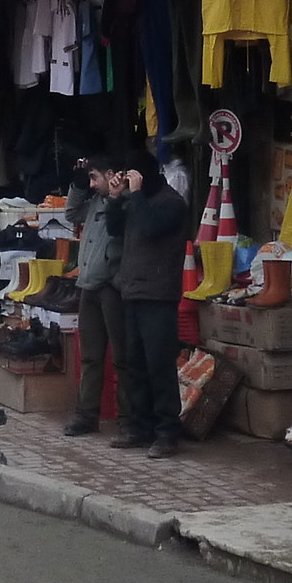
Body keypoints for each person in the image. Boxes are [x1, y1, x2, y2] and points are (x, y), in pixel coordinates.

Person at [112, 151, 189, 458]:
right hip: (132, 290)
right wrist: (117, 198)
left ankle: (167, 431)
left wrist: (136, 195)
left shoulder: (172, 203)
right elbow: (115, 229)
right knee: (135, 364)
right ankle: (139, 426)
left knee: (159, 365)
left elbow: (150, 228)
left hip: (159, 294)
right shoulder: (137, 200)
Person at [64, 161, 124, 438]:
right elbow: (71, 212)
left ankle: (128, 419)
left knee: (123, 357)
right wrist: (76, 184)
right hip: (88, 285)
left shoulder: (124, 202)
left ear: (112, 175)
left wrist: (115, 197)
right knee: (90, 356)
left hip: (112, 287)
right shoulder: (94, 202)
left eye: (93, 177)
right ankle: (86, 415)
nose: (91, 184)